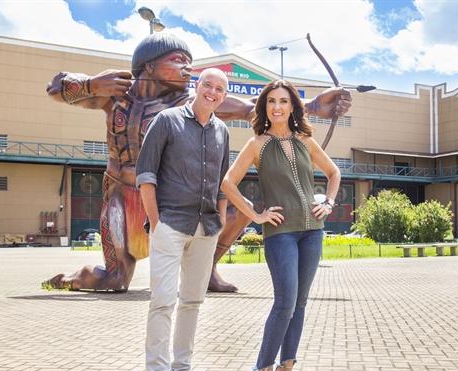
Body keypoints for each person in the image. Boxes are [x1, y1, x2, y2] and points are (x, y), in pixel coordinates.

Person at [45, 31, 352, 293]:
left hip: (170, 201)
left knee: (242, 209)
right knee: (114, 280)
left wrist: (310, 105)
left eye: (188, 62)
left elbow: (249, 109)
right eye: (177, 60)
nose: (186, 67)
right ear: (149, 65)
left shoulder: (188, 105)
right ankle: (73, 278)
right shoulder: (115, 93)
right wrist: (89, 86)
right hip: (121, 198)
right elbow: (55, 88)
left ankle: (205, 273)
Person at [221, 79, 341, 371]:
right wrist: (255, 215)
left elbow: (334, 173)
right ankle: (264, 370)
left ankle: (286, 370)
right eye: (271, 101)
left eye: (283, 101)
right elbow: (228, 183)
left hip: (312, 232)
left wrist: (328, 203)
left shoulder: (306, 140)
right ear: (265, 107)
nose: (277, 107)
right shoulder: (256, 144)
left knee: (300, 304)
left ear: (292, 107)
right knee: (285, 302)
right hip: (280, 233)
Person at [136, 68, 230, 371]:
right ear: (197, 86)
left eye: (220, 88)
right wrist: (156, 223)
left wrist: (219, 220)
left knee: (192, 301)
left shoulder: (221, 130)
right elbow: (146, 175)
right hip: (170, 225)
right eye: (208, 84)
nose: (213, 92)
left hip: (206, 228)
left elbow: (223, 180)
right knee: (162, 301)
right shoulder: (167, 120)